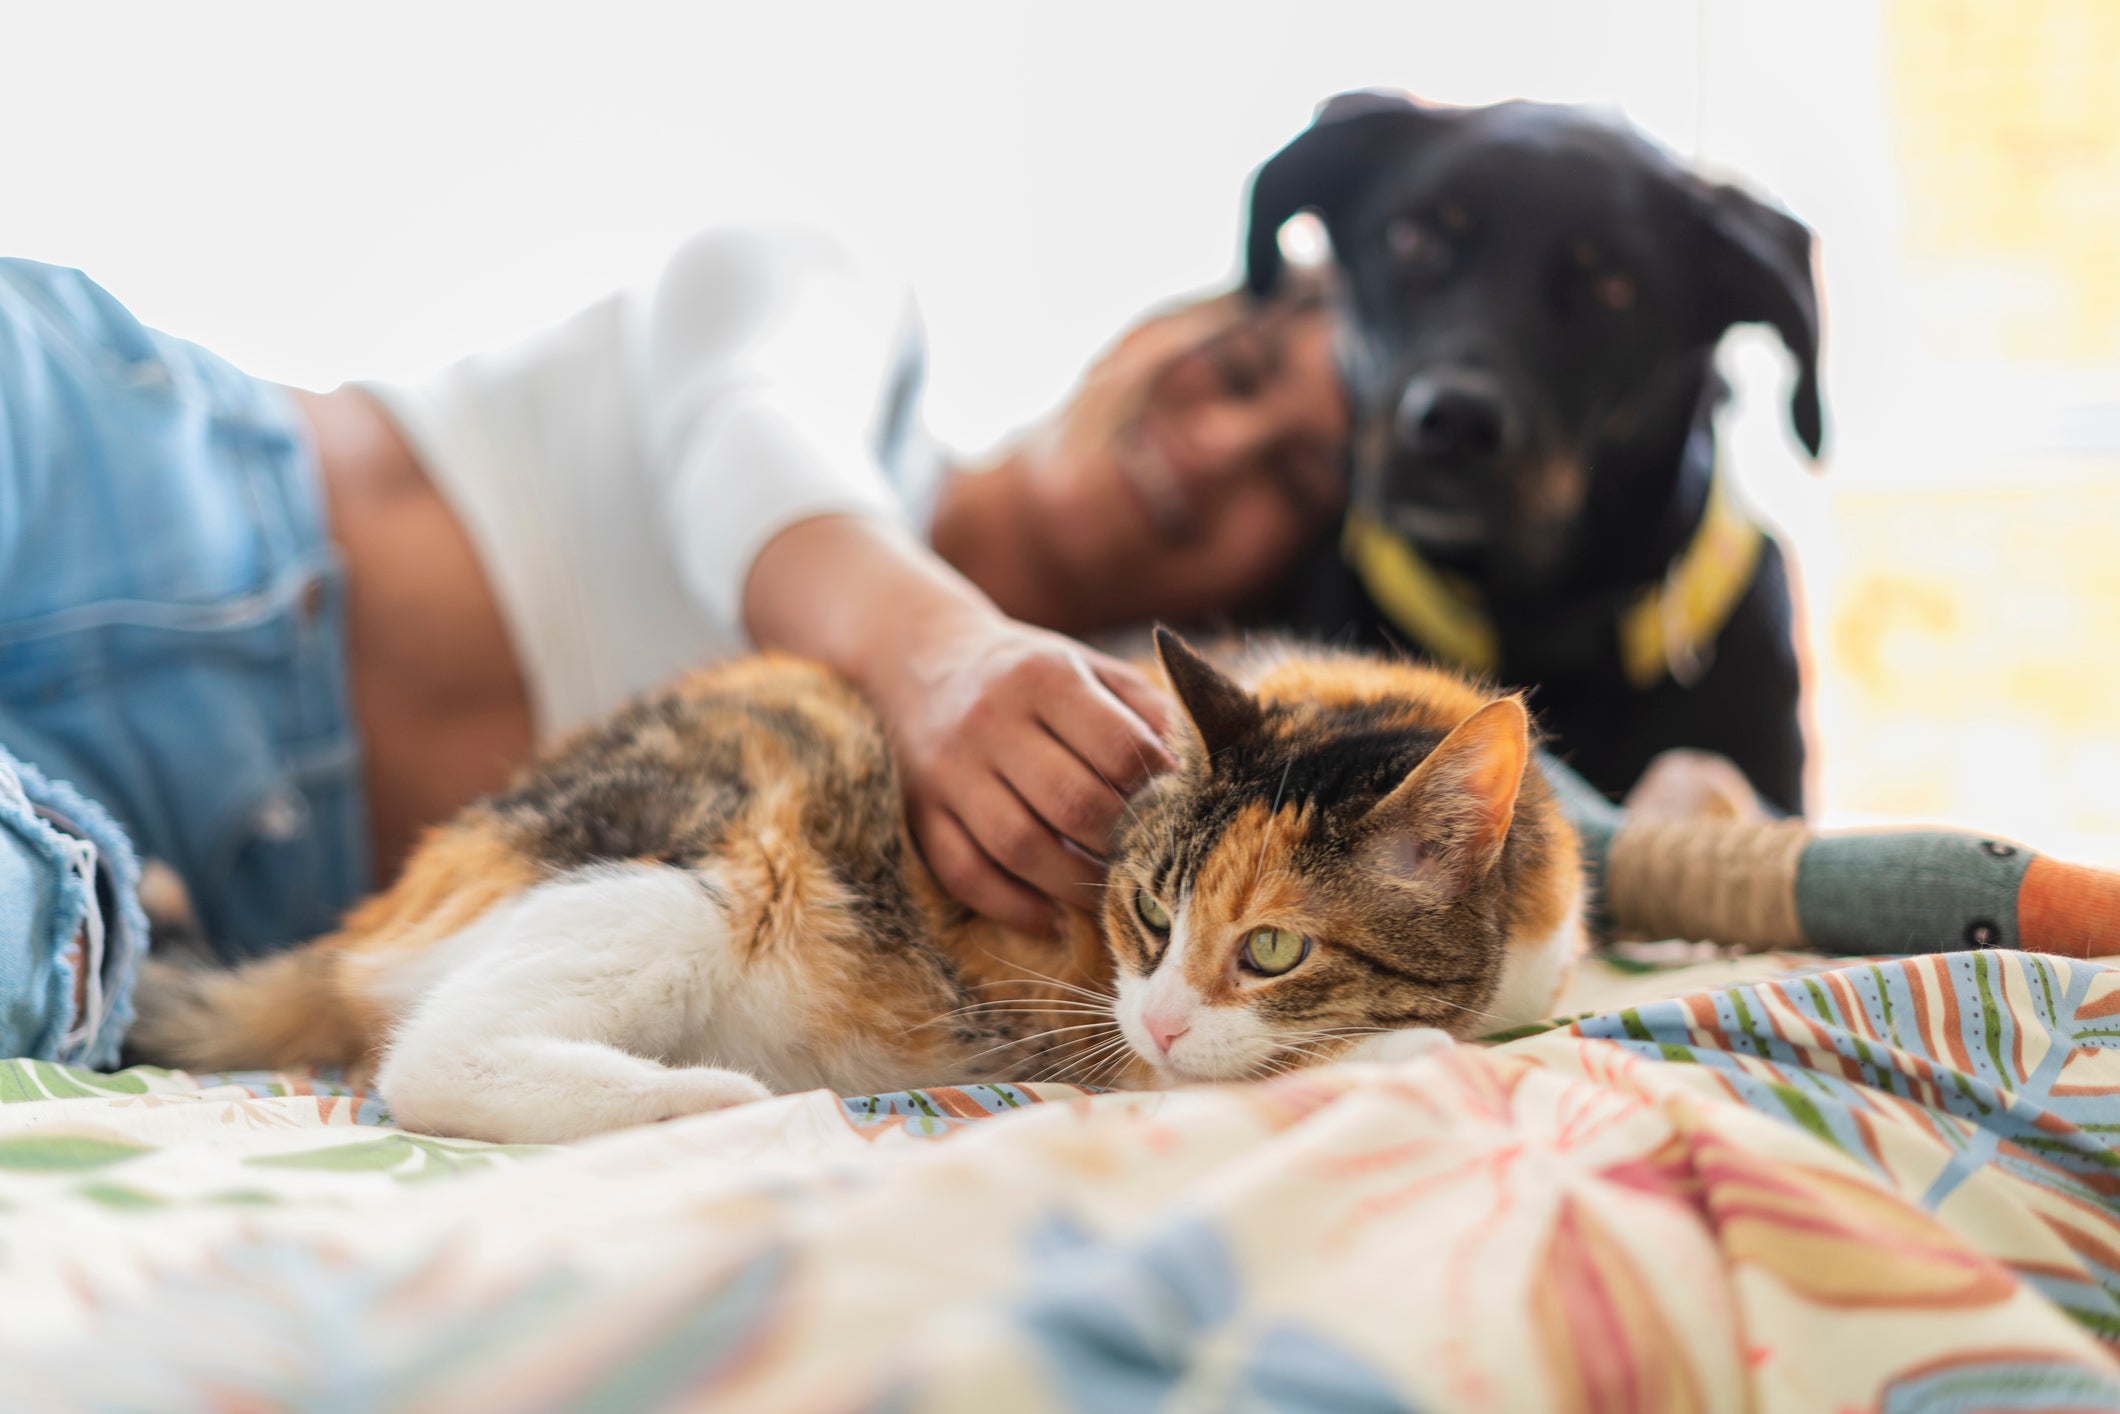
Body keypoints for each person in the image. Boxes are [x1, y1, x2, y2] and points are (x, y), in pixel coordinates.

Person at [3, 227, 2116, 1070]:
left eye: (1298, 470)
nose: (1220, 446)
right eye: (1238, 363)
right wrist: (931, 660)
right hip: (135, 478)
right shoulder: (848, 332)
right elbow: (758, 456)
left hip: (162, 856)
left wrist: (1748, 836)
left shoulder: (1153, 776)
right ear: (1154, 320)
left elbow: (1514, 821)